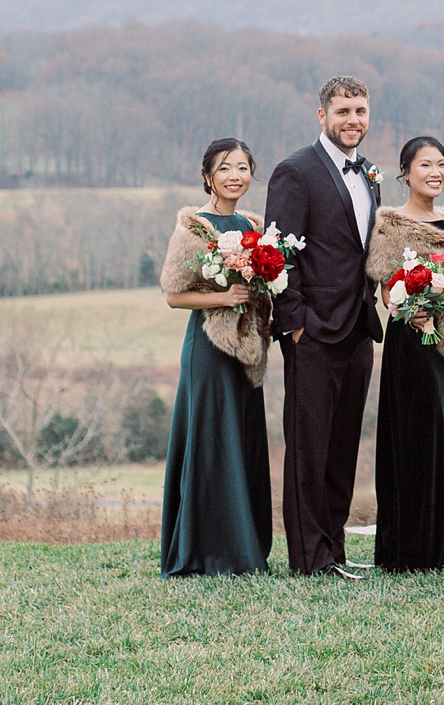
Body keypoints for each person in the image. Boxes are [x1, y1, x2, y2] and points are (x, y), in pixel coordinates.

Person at [264, 76, 386, 578]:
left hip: (358, 328)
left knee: (342, 446)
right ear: (322, 116)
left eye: (360, 111)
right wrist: (296, 325)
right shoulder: (295, 172)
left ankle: (333, 550)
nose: (353, 120)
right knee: (308, 448)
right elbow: (279, 254)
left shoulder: (370, 176)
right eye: (343, 112)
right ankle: (308, 558)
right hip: (313, 332)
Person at [156, 138, 274, 576]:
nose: (235, 176)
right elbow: (172, 295)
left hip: (248, 349)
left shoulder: (254, 226)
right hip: (208, 348)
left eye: (243, 167)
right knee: (210, 441)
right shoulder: (195, 228)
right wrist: (223, 297)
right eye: (225, 168)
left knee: (240, 441)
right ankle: (202, 552)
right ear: (208, 176)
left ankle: (244, 547)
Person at [365, 135, 444, 573]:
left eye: (442, 164)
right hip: (410, 344)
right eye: (425, 164)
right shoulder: (390, 224)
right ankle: (402, 549)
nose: (435, 172)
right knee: (408, 439)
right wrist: (409, 302)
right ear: (405, 172)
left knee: (440, 439)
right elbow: (385, 283)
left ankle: (434, 549)